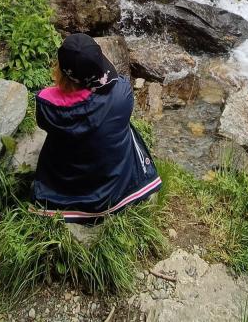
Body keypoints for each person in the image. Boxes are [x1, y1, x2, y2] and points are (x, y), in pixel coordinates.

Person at [31, 33, 161, 222]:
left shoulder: (47, 104)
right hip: (116, 185)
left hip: (69, 188)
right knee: (124, 127)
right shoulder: (123, 91)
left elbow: (45, 119)